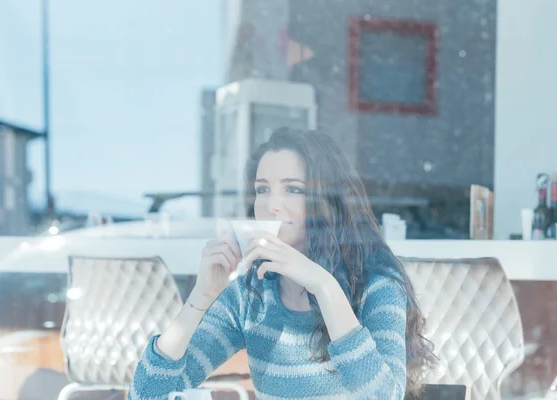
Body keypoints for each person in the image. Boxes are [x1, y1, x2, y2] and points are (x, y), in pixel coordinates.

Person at [128, 128, 436, 399]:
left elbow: (384, 396)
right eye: (262, 189)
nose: (270, 205)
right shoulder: (251, 295)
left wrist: (323, 285)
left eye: (293, 189)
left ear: (329, 201)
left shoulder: (378, 288)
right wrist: (200, 297)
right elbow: (147, 395)